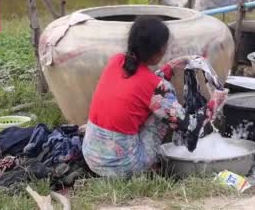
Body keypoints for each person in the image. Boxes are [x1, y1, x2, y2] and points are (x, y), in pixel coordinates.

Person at [82, 15, 227, 178]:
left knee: (159, 104)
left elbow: (138, 87)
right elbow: (191, 126)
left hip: (91, 156)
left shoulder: (117, 61)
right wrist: (215, 102)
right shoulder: (158, 88)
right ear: (160, 50)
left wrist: (167, 69)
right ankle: (149, 164)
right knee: (163, 112)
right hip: (120, 167)